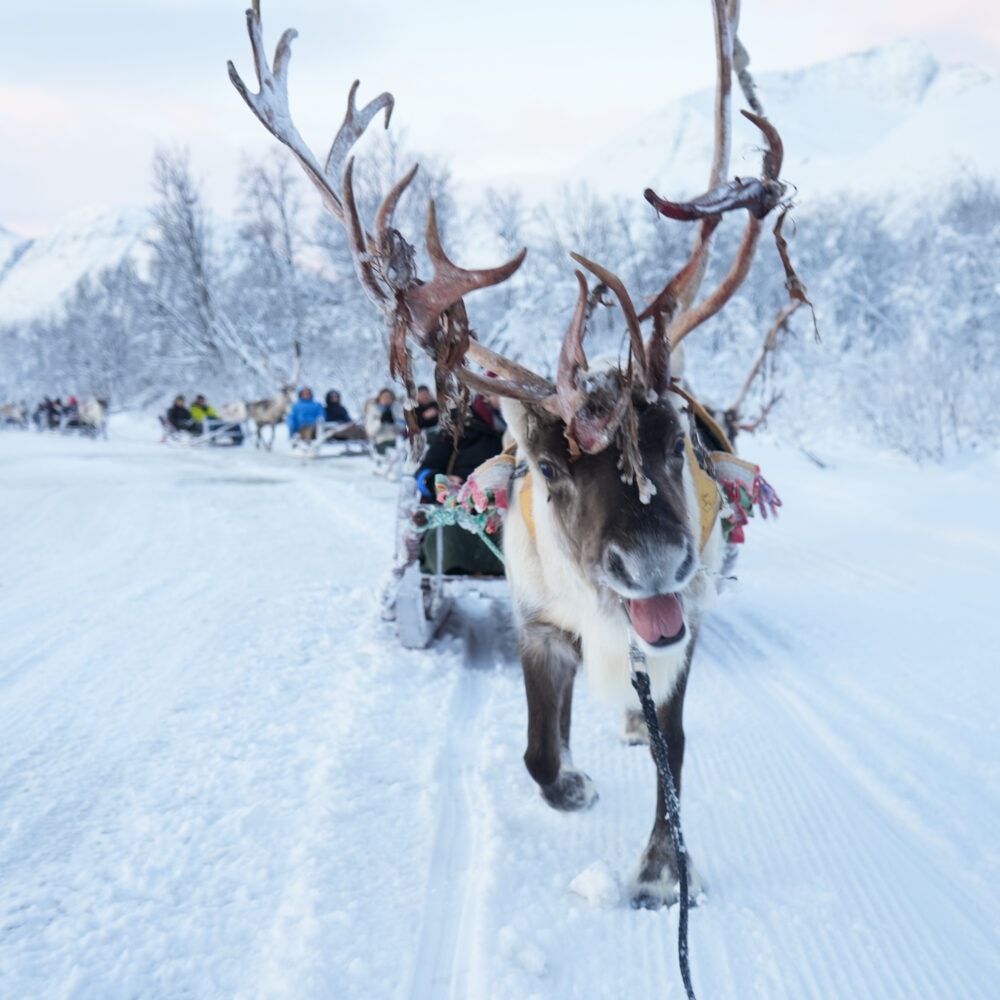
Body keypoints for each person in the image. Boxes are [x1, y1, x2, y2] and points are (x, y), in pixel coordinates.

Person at [414, 393, 506, 576]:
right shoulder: (458, 426)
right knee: (453, 531)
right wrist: (435, 481)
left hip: (506, 506)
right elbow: (426, 470)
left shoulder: (522, 429)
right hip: (461, 503)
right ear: (487, 394)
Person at [364, 387, 405, 455]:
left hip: (397, 442)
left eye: (389, 397)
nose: (387, 400)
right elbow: (370, 431)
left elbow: (403, 428)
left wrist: (393, 422)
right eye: (384, 397)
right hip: (380, 442)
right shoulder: (372, 411)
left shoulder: (397, 409)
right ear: (379, 399)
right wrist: (380, 421)